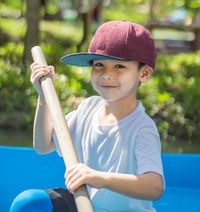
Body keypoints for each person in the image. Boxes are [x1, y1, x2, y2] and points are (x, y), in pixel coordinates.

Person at [10, 20, 164, 212]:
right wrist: (43, 99)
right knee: (29, 203)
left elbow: (154, 187)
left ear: (144, 74)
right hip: (83, 202)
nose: (106, 74)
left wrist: (99, 178)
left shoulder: (141, 127)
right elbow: (43, 146)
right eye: (99, 64)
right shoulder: (88, 109)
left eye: (119, 66)